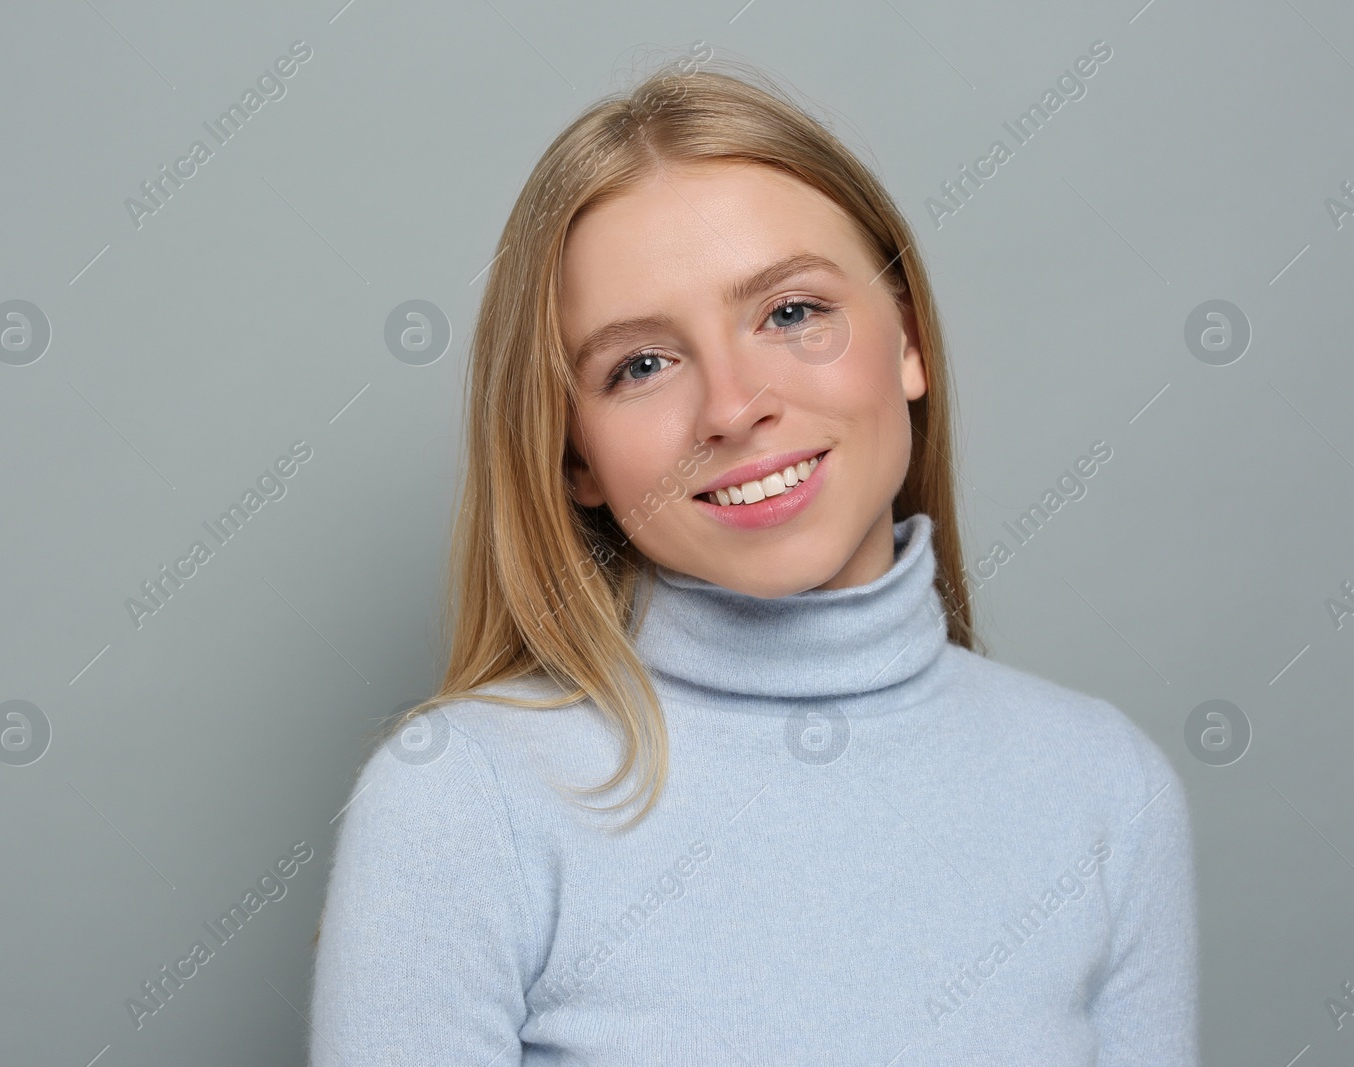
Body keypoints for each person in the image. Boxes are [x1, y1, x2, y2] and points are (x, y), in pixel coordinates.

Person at [308, 52, 1197, 1066]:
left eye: (790, 312)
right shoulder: (461, 801)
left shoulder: (1103, 787)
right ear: (575, 458)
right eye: (640, 364)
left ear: (907, 339)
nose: (732, 407)